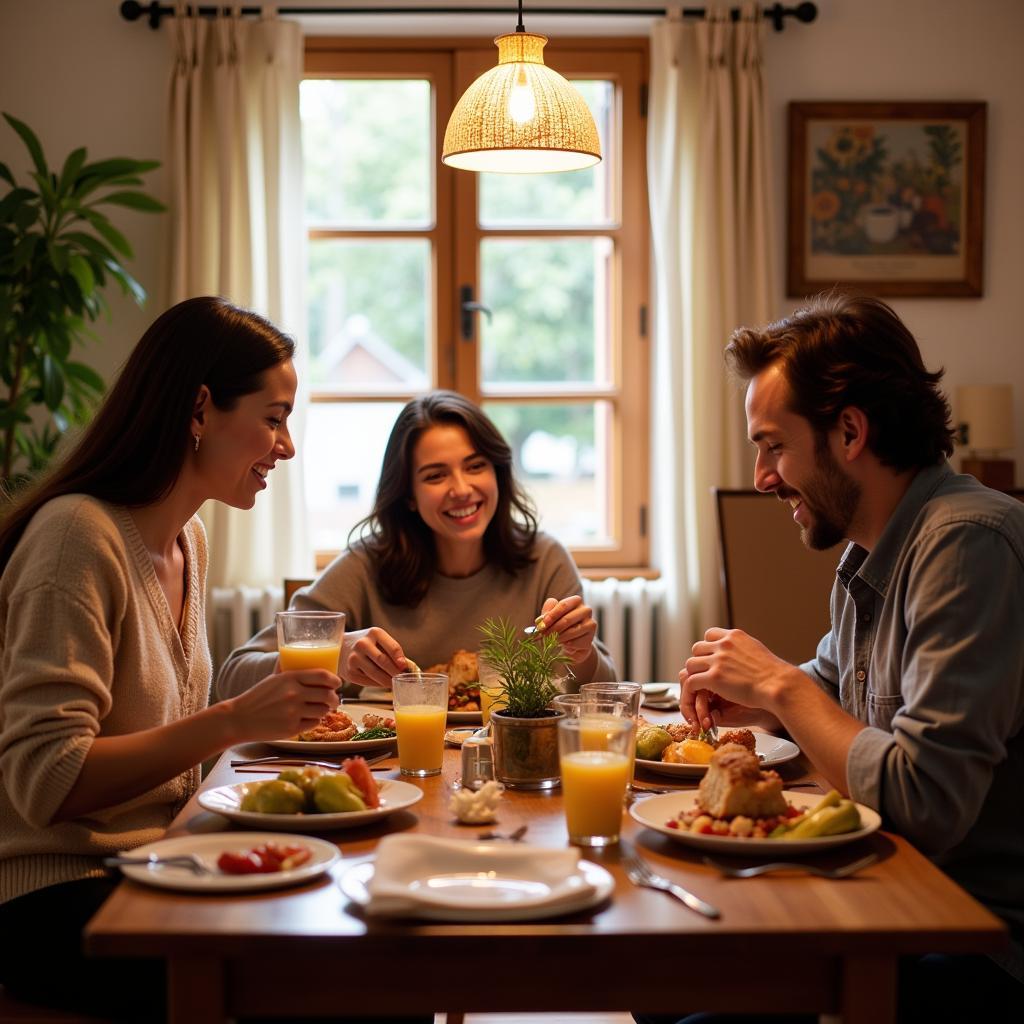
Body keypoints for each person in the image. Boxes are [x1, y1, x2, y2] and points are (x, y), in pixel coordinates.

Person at [637, 292, 1023, 1024]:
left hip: (976, 940)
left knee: (684, 1004)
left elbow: (927, 803)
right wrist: (757, 701)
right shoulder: (868, 553)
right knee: (659, 973)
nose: (762, 476)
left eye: (774, 446)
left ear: (849, 431)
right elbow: (839, 697)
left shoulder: (969, 543)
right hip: (892, 897)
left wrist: (780, 687)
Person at [0, 296, 341, 1021]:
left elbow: (174, 769)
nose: (286, 447)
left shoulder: (191, 542)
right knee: (344, 976)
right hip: (55, 897)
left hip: (159, 864)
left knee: (361, 932)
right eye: (274, 418)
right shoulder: (76, 539)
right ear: (199, 410)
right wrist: (230, 721)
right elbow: (46, 782)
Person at [217, 390, 617, 700]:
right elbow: (233, 677)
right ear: (408, 493)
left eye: (476, 466)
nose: (461, 490)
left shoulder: (544, 559)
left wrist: (580, 655)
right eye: (435, 475)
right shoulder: (365, 564)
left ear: (498, 473)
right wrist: (333, 656)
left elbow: (606, 689)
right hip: (388, 770)